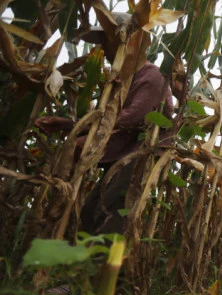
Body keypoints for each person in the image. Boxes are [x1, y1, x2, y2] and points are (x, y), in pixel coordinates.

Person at [34, 12, 174, 236]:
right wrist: (68, 126)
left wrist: (77, 130)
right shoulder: (123, 81)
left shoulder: (152, 77)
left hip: (139, 157)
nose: (103, 49)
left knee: (109, 216)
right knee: (90, 213)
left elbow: (128, 119)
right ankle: (93, 266)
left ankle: (104, 267)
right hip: (122, 156)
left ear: (128, 41)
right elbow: (108, 120)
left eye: (106, 42)